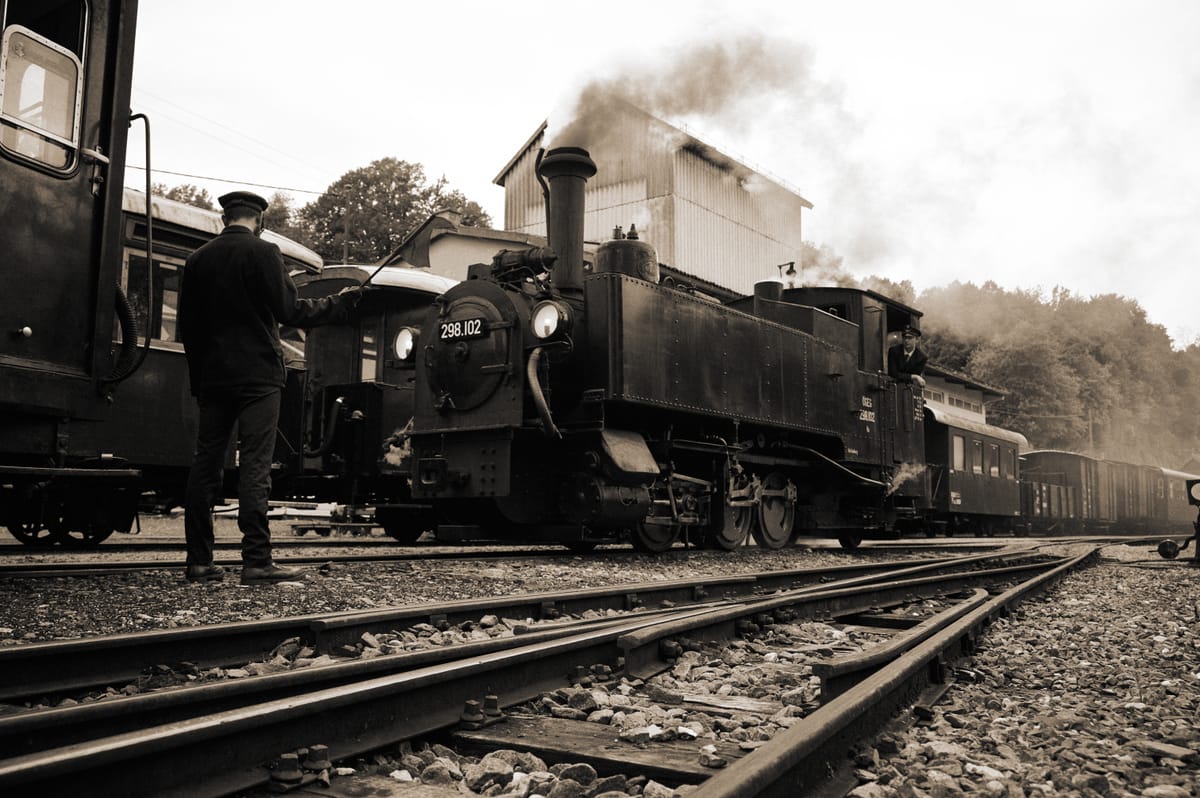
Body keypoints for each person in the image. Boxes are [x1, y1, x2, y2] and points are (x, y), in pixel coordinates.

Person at [178, 190, 361, 585]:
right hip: (258, 375)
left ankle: (198, 562)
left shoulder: (197, 260)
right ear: (258, 220)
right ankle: (257, 561)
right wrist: (340, 304)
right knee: (256, 466)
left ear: (223, 217)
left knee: (205, 466)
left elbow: (188, 332)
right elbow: (291, 311)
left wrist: (200, 382)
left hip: (213, 377)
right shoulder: (264, 253)